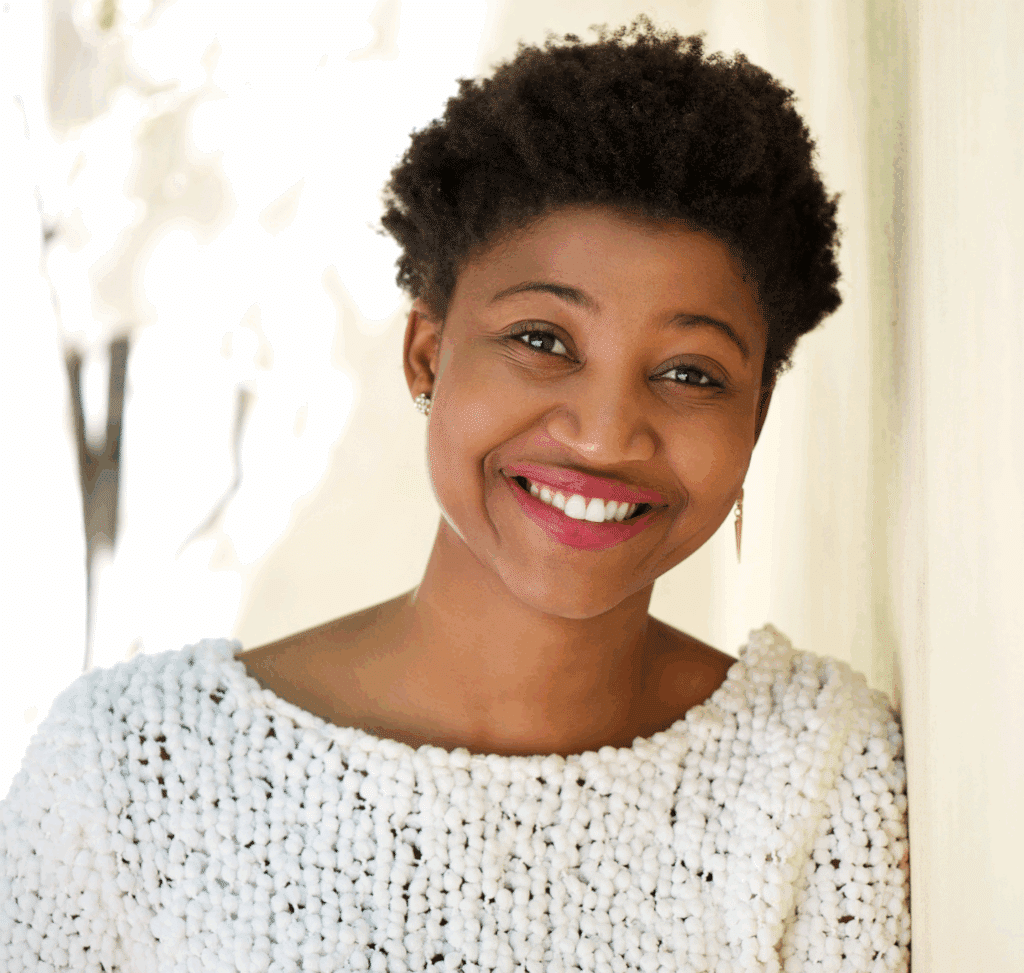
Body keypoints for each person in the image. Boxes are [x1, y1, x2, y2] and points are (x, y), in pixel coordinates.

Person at [0, 18, 909, 973]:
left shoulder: (815, 777)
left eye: (690, 372)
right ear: (426, 353)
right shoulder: (130, 772)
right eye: (543, 341)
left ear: (755, 416)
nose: (604, 433)